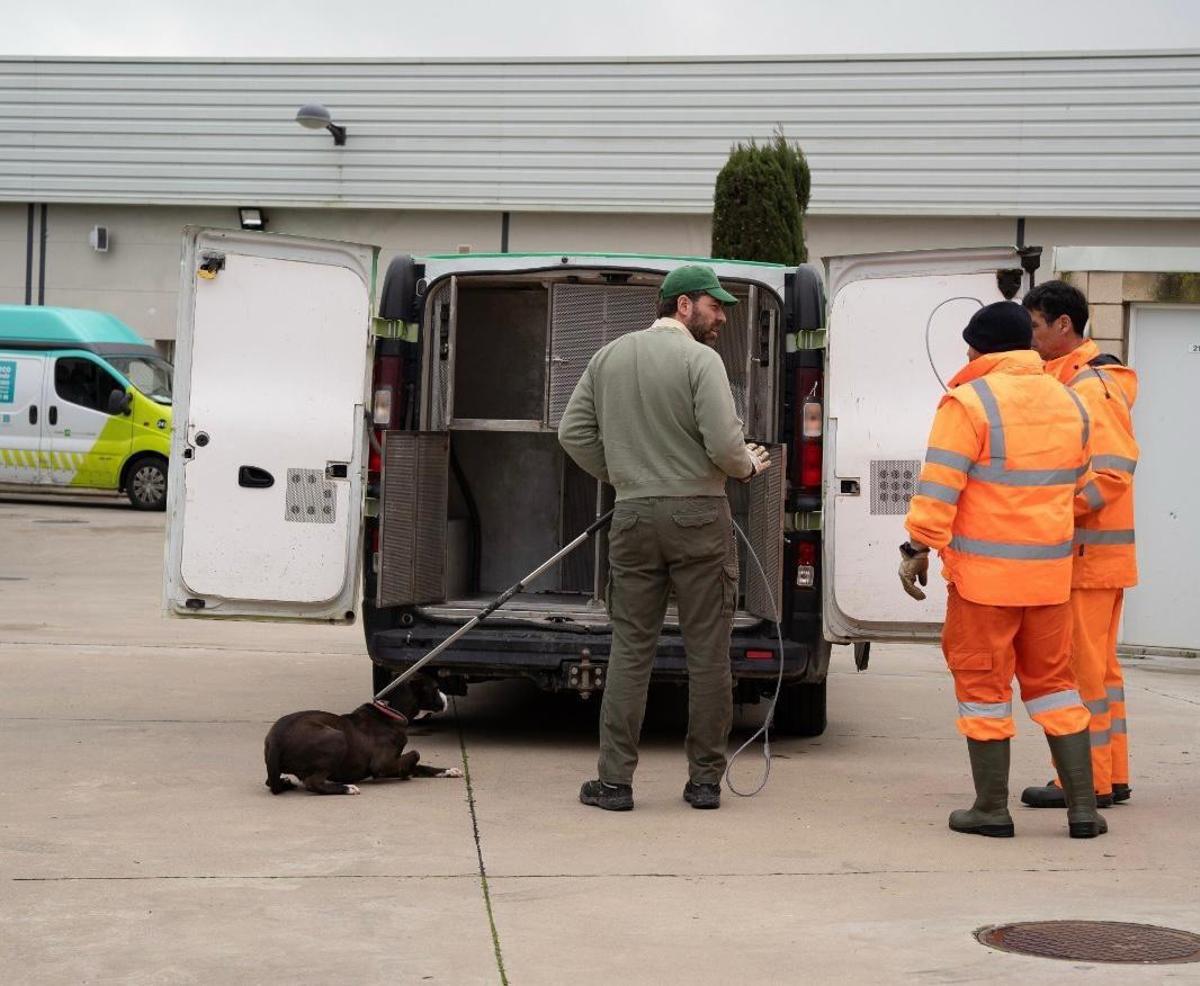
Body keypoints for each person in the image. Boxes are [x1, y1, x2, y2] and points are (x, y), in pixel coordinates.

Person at [557, 264, 771, 812]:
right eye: (714, 306)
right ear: (682, 306)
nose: (722, 316)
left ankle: (614, 783)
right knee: (707, 654)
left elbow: (572, 432)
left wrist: (626, 474)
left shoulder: (608, 357)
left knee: (630, 651)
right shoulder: (702, 360)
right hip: (700, 517)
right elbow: (725, 443)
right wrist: (746, 467)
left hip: (632, 516)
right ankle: (703, 782)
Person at [899, 301, 1107, 839]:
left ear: (979, 347)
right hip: (1049, 580)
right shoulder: (1070, 401)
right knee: (1056, 687)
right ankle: (1082, 808)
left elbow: (940, 487)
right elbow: (1082, 486)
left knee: (983, 687)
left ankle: (991, 809)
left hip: (983, 584)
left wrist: (916, 548)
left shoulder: (968, 402)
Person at [1020, 280, 1139, 809]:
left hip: (1087, 557)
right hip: (1100, 558)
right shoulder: (1081, 380)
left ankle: (1082, 781)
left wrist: (1053, 509)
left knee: (1079, 674)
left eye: (1036, 327)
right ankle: (1109, 774)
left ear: (1063, 325)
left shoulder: (1090, 387)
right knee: (1101, 675)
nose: (1031, 338)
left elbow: (1112, 473)